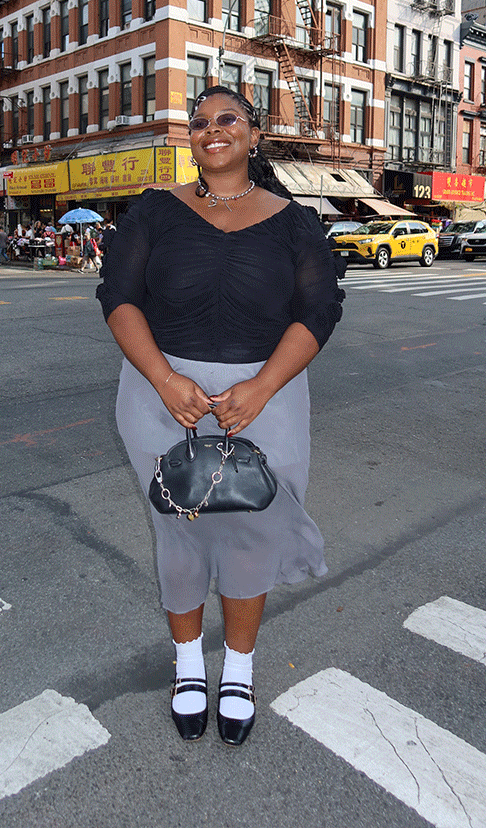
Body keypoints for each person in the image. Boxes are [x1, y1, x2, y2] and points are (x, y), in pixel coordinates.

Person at [97, 86, 344, 747]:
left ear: (254, 133)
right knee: (180, 535)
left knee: (251, 535)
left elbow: (319, 310)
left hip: (267, 398)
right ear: (191, 139)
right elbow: (118, 297)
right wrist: (163, 376)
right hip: (160, 394)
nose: (212, 130)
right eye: (199, 122)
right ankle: (187, 668)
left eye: (227, 118)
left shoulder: (295, 221)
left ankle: (238, 669)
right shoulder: (153, 213)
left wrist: (262, 386)